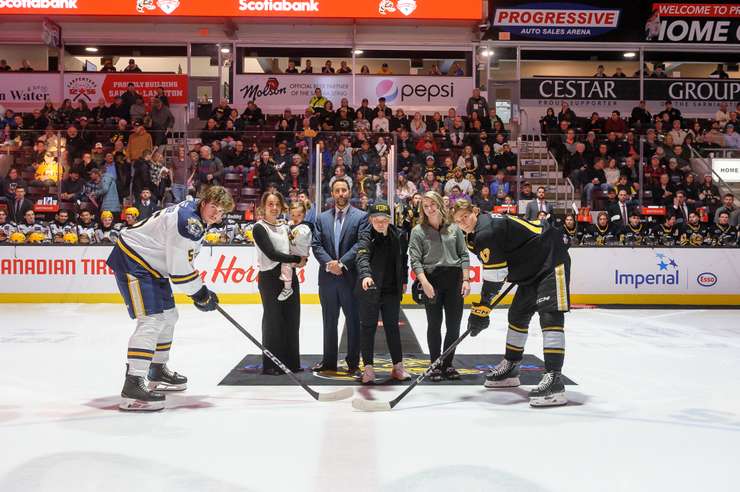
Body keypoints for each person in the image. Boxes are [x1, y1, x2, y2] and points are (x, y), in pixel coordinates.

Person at [106, 186, 233, 411]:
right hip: (134, 262)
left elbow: (181, 264)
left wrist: (199, 293)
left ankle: (157, 368)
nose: (216, 215)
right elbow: (180, 272)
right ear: (204, 202)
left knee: (169, 316)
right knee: (152, 320)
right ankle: (133, 384)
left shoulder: (195, 217)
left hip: (151, 265)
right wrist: (201, 294)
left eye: (221, 212)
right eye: (214, 207)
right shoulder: (188, 223)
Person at [452, 199, 571, 407]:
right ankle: (512, 366)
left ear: (476, 211)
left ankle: (555, 378)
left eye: (465, 216)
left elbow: (495, 276)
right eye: (458, 220)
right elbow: (500, 266)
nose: (463, 222)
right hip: (531, 265)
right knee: (517, 314)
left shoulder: (485, 230)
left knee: (550, 314)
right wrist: (483, 309)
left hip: (550, 257)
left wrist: (482, 309)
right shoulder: (472, 234)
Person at [408, 191, 470, 382]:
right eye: (425, 206)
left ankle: (448, 364)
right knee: (434, 325)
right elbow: (415, 260)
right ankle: (435, 364)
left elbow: (464, 255)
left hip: (454, 280)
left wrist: (466, 279)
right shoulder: (418, 231)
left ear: (439, 204)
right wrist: (424, 283)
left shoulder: (454, 228)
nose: (429, 209)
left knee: (453, 325)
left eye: (432, 204)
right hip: (431, 280)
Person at [311, 178, 368, 376]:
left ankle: (353, 362)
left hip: (350, 278)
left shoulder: (361, 217)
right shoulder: (321, 218)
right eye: (337, 190)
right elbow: (316, 245)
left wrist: (341, 263)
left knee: (353, 321)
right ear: (332, 193)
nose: (341, 193)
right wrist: (330, 265)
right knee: (329, 320)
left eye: (344, 190)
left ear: (349, 192)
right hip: (327, 279)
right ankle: (329, 361)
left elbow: (361, 244)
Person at [355, 202, 411, 384]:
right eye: (376, 220)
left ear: (389, 220)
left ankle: (398, 366)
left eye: (384, 220)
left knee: (392, 328)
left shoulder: (399, 235)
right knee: (368, 328)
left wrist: (403, 280)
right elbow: (362, 257)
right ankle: (369, 369)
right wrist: (365, 276)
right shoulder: (365, 236)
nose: (380, 223)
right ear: (371, 220)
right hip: (370, 289)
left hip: (391, 291)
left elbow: (404, 260)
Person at [252, 191, 307, 375]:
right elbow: (271, 254)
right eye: (270, 204)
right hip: (269, 278)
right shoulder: (259, 228)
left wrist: (301, 258)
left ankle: (291, 362)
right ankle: (271, 365)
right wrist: (295, 258)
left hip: (289, 275)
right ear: (263, 207)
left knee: (292, 318)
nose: (274, 208)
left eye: (277, 204)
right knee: (273, 320)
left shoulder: (285, 227)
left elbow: (295, 245)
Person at [278, 202, 313, 301]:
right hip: (292, 252)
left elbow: (294, 238)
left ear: (304, 214)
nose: (295, 217)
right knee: (285, 264)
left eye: (299, 215)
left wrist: (287, 229)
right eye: (292, 215)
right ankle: (286, 279)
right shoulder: (289, 224)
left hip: (299, 254)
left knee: (286, 264)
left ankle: (287, 288)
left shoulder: (305, 227)